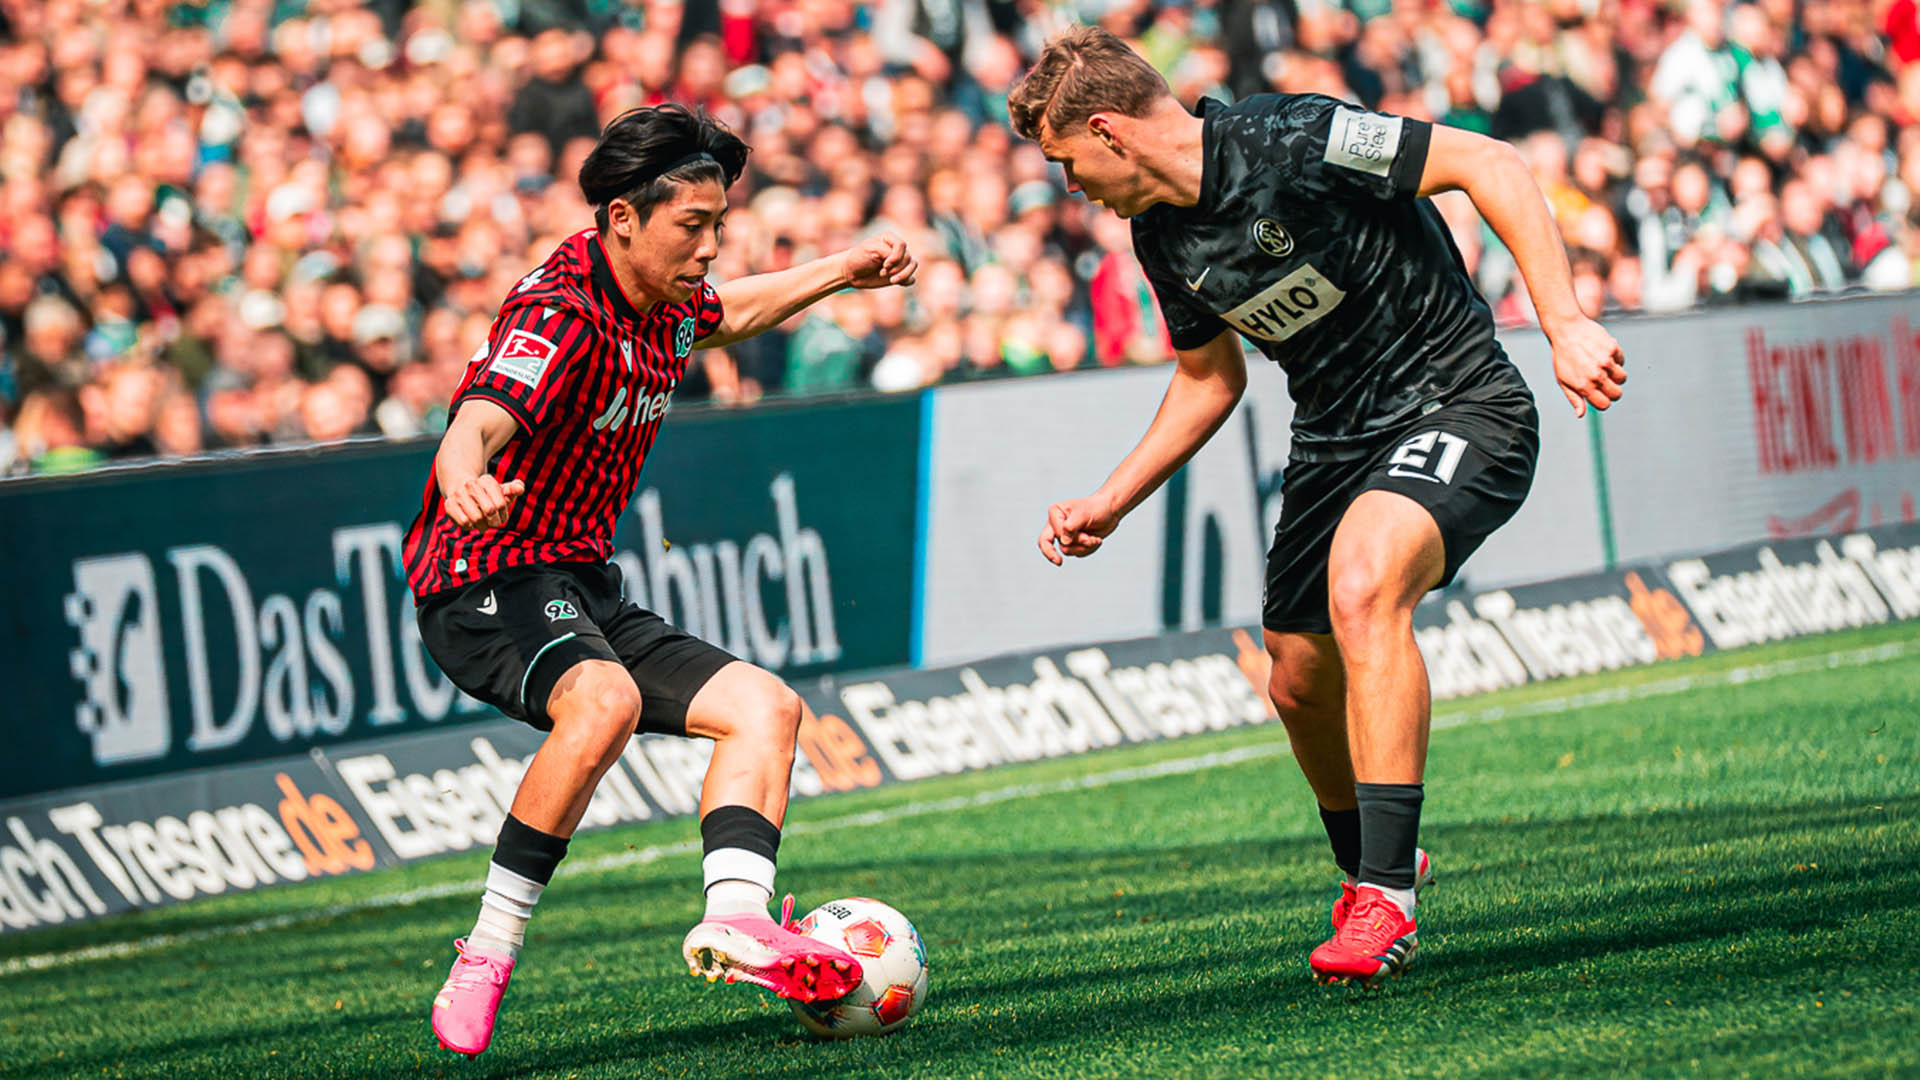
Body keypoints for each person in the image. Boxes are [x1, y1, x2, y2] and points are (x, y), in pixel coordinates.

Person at [1009, 28, 1626, 988]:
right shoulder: (1159, 233)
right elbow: (1208, 380)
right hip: (1333, 440)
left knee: (1365, 581)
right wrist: (1113, 498)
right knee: (1297, 681)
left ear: (1107, 131)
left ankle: (1387, 898)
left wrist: (1565, 320)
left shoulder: (1299, 137)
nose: (1069, 184)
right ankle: (1370, 868)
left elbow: (1488, 161)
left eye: (1066, 162)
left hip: (1460, 400)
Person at [400, 103, 919, 1056]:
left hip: (579, 577)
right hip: (485, 575)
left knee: (765, 707)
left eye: (720, 225)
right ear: (623, 220)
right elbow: (477, 416)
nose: (713, 246)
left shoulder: (669, 297)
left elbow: (740, 310)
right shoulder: (560, 311)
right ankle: (486, 950)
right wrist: (465, 476)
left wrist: (842, 270)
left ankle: (739, 919)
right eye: (695, 226)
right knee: (602, 702)